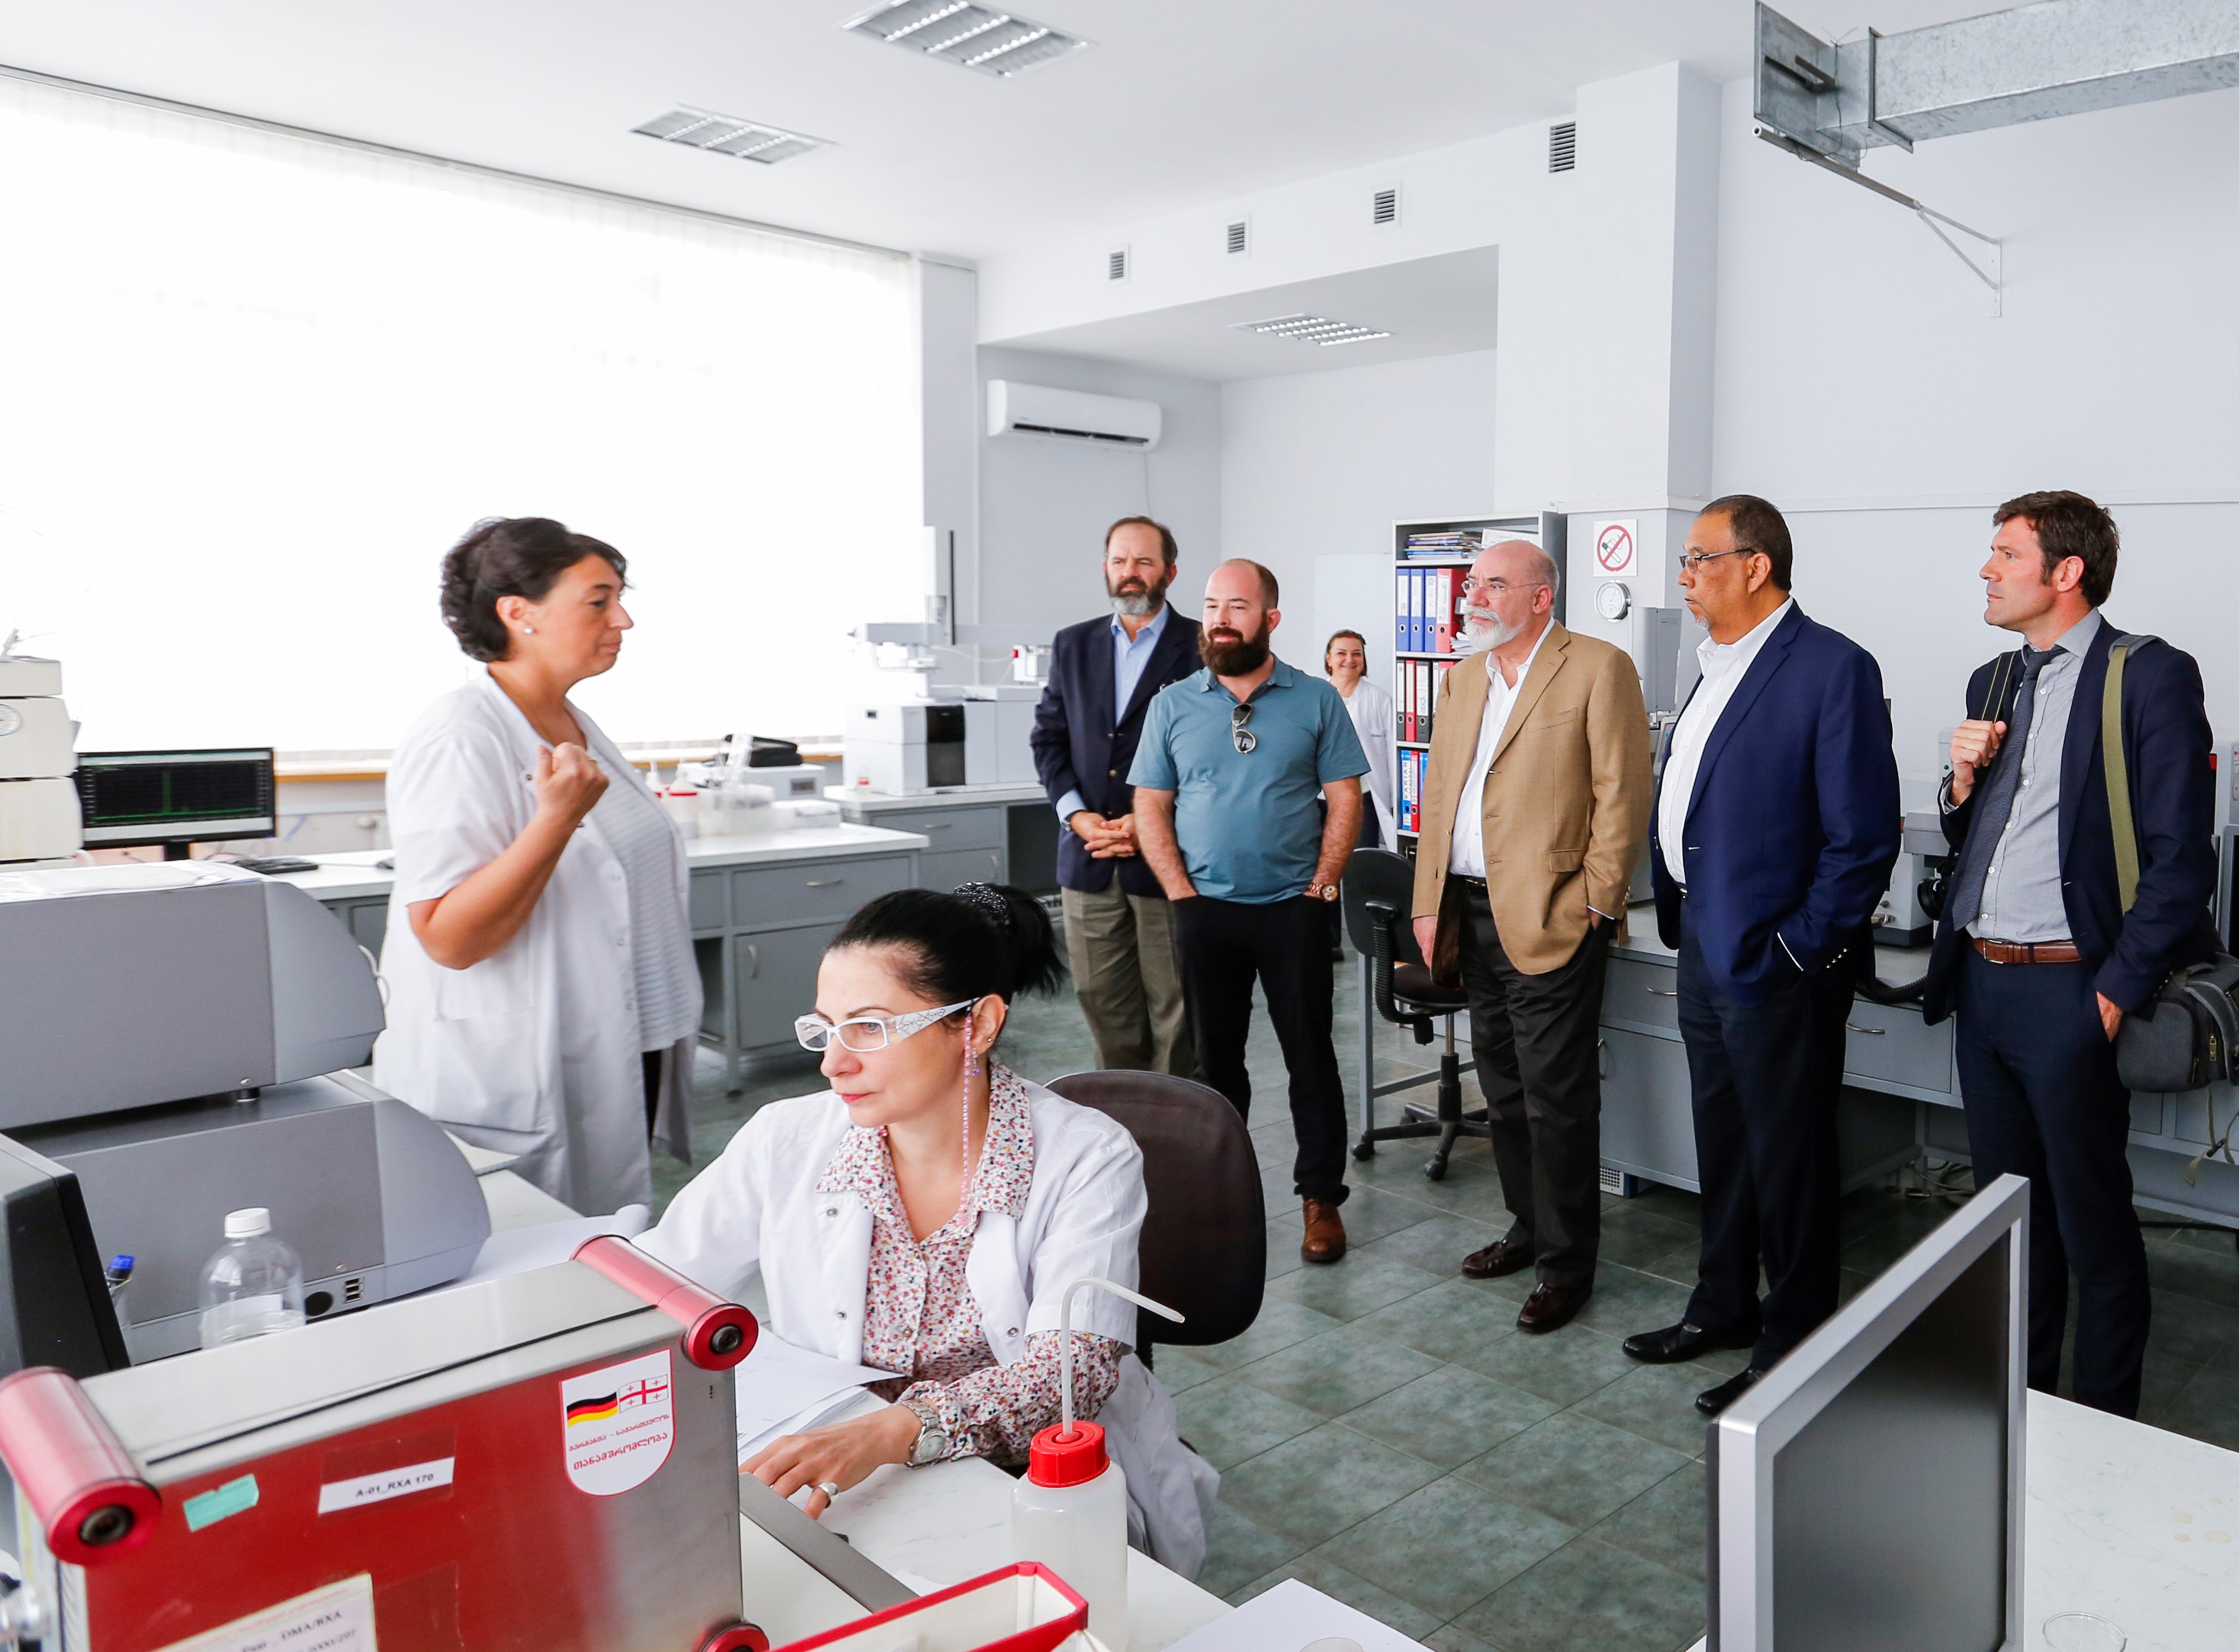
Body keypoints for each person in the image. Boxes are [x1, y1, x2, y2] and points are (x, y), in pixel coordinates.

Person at [641, 884, 1217, 1576]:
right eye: (824, 1028)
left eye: (869, 1028)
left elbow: (1071, 1371)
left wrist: (891, 1433)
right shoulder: (785, 1139)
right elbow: (655, 1285)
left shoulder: (1086, 1154)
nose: (833, 1062)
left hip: (1024, 1482)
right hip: (847, 1473)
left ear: (977, 1025)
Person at [1922, 492, 2215, 1420]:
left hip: (2072, 991)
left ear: (2066, 572)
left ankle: (2101, 1431)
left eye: (2005, 554)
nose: (1986, 569)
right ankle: (2023, 1412)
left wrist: (2111, 993)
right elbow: (1974, 836)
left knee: (2093, 1227)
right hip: (1983, 985)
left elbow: (2181, 861)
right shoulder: (1991, 682)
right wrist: (1958, 781)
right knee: (2010, 1221)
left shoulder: (2148, 676)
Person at [1622, 496, 1899, 1417]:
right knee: (1726, 1141)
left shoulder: (1831, 667)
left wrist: (1796, 948)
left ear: (1755, 564)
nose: (1683, 576)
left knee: (1789, 1155)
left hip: (1775, 959)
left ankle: (1795, 1341)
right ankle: (1721, 1305)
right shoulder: (1713, 666)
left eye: (1698, 558)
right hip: (1703, 942)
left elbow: (1863, 839)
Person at [375, 517, 701, 1215]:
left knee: (603, 1243)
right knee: (535, 1257)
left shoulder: (568, 721)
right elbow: (449, 937)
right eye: (599, 601)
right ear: (519, 613)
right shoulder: (460, 736)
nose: (623, 620)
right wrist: (556, 819)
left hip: (620, 1044)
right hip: (512, 1069)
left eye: (620, 599)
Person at [1408, 540, 1652, 1332]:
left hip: (1552, 913)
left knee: (1557, 1101)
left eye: (1493, 585)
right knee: (1505, 1093)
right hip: (1468, 913)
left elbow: (1623, 793)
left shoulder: (1598, 667)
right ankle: (1527, 1226)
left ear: (1541, 597)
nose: (1473, 597)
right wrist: (1426, 899)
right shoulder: (1463, 676)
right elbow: (1439, 792)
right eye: (1472, 584)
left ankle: (1566, 1265)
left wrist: (1596, 901)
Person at [1130, 559, 1370, 1265]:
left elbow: (1346, 798)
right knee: (1216, 1065)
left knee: (1311, 1059)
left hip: (1294, 909)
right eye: (1211, 605)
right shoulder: (1173, 704)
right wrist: (1179, 891)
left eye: (1237, 606)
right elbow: (1151, 805)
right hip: (1205, 910)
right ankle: (1218, 1196)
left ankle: (1321, 1198)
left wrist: (1323, 885)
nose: (1220, 619)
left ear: (1270, 618)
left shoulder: (1316, 699)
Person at [1030, 517, 1202, 1075]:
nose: (1130, 572)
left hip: (1169, 859)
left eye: (1144, 561)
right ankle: (1123, 1115)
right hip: (1089, 855)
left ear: (1169, 572)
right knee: (1103, 1003)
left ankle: (1176, 1116)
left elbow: (1214, 757)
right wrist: (1075, 814)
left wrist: (1147, 820)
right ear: (1105, 568)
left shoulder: (1202, 646)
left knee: (1178, 1007)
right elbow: (1048, 739)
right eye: (1120, 560)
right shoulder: (1072, 644)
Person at [1325, 630, 1396, 848]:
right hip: (1320, 799)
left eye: (1357, 654)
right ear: (1329, 659)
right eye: (1341, 653)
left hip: (1365, 797)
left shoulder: (1380, 700)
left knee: (1361, 859)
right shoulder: (1315, 697)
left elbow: (1393, 756)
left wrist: (1396, 799)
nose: (1350, 659)